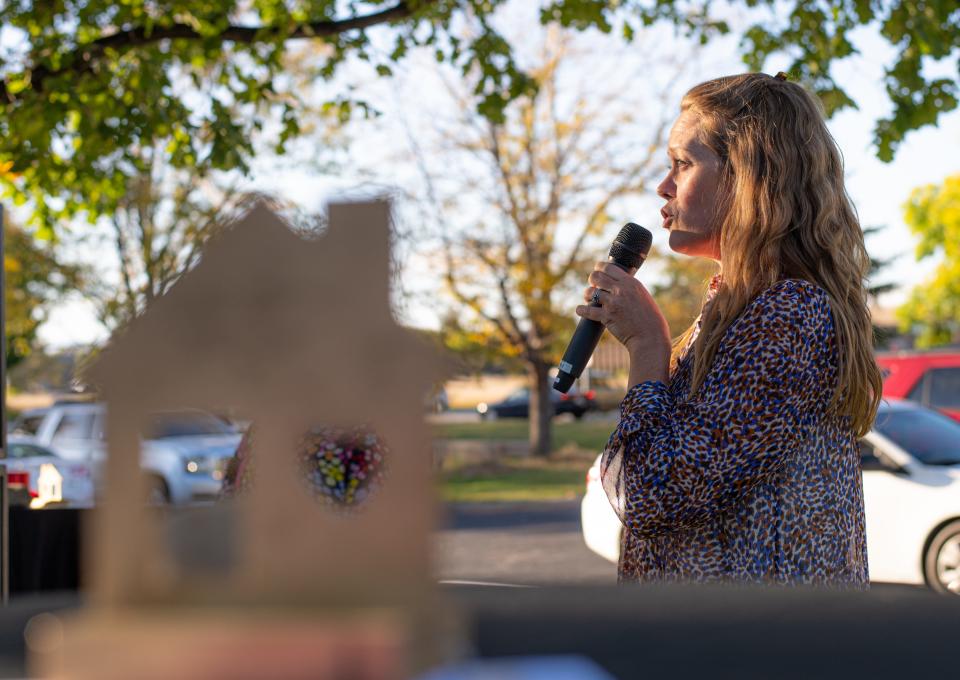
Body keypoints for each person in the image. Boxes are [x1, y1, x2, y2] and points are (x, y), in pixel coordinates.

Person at [576, 72, 882, 588]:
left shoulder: (789, 314)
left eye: (683, 163)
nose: (663, 185)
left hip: (754, 647)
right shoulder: (739, 306)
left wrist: (648, 343)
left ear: (751, 176)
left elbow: (654, 493)